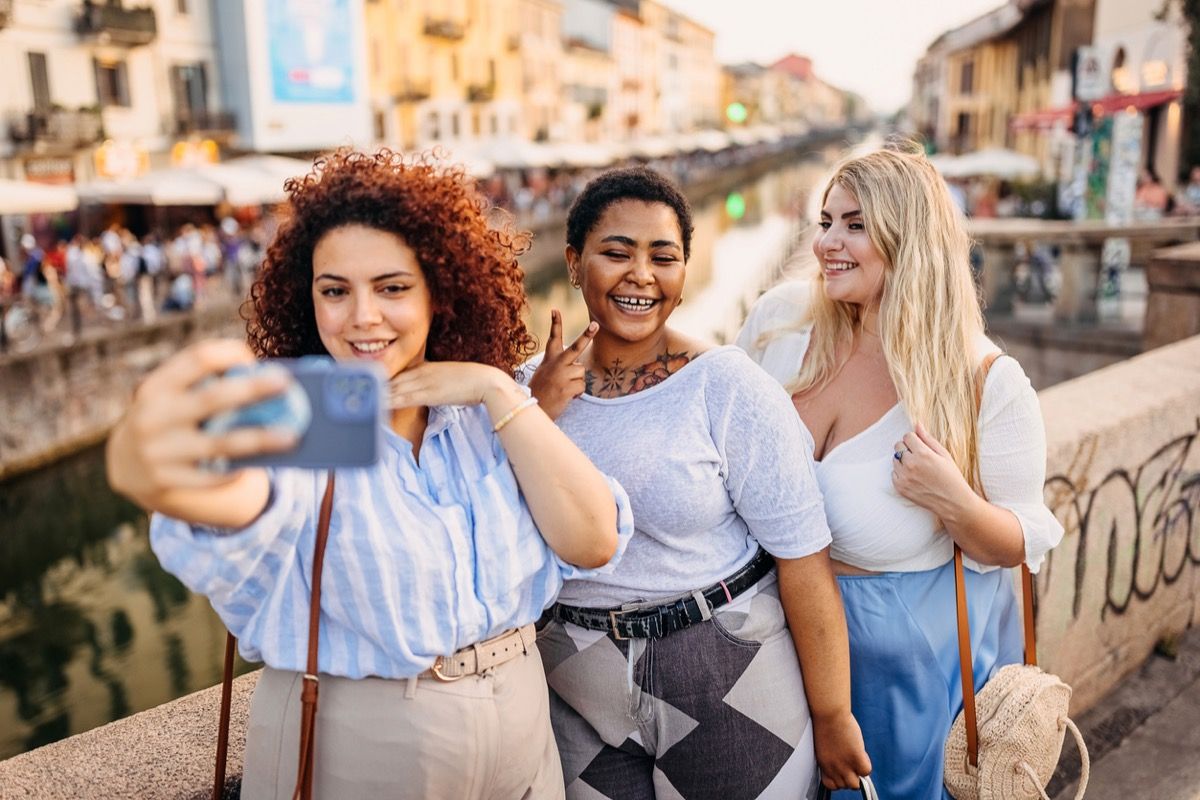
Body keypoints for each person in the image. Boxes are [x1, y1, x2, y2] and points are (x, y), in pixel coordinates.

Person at [106, 149, 634, 799]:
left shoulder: (482, 413)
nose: (362, 317)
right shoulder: (310, 416)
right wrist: (156, 471)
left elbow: (594, 540)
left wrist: (499, 392)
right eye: (335, 291)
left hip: (522, 720)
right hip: (368, 741)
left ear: (440, 292)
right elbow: (244, 496)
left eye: (391, 287)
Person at [527, 166, 871, 799]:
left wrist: (832, 714)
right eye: (616, 253)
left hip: (723, 663)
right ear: (573, 263)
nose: (641, 276)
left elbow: (802, 558)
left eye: (665, 257)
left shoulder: (726, 387)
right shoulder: (525, 392)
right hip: (574, 675)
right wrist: (533, 414)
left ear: (685, 273)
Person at [736, 145, 1064, 800]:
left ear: (908, 238)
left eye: (855, 225)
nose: (828, 241)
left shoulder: (984, 382)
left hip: (890, 672)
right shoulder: (780, 322)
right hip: (761, 639)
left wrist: (955, 503)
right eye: (826, 220)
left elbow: (1022, 543)